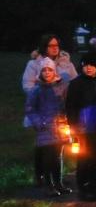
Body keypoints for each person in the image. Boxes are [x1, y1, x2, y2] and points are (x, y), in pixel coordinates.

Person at [66, 49, 96, 201]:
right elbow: (70, 106)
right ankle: (84, 188)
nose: (88, 68)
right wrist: (73, 126)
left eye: (92, 65)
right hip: (83, 127)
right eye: (85, 65)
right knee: (85, 158)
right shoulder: (76, 84)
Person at [25, 58, 71, 196]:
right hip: (45, 128)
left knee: (58, 157)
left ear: (54, 71)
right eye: (44, 70)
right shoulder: (37, 90)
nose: (46, 73)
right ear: (40, 73)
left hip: (60, 127)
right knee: (48, 157)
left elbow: (65, 105)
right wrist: (39, 123)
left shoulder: (60, 87)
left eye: (49, 70)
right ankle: (48, 185)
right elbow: (30, 109)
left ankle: (58, 183)